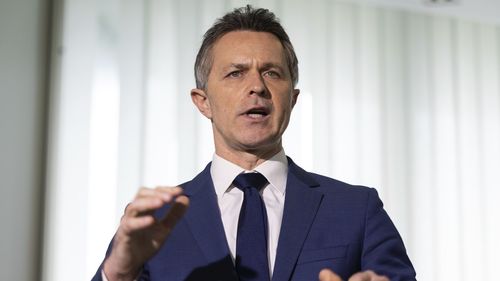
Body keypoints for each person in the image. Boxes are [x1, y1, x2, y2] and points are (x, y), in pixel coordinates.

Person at [92, 5, 416, 281]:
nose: (257, 87)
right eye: (236, 73)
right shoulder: (156, 222)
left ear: (293, 98)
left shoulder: (356, 210)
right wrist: (119, 272)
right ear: (202, 101)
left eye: (272, 73)